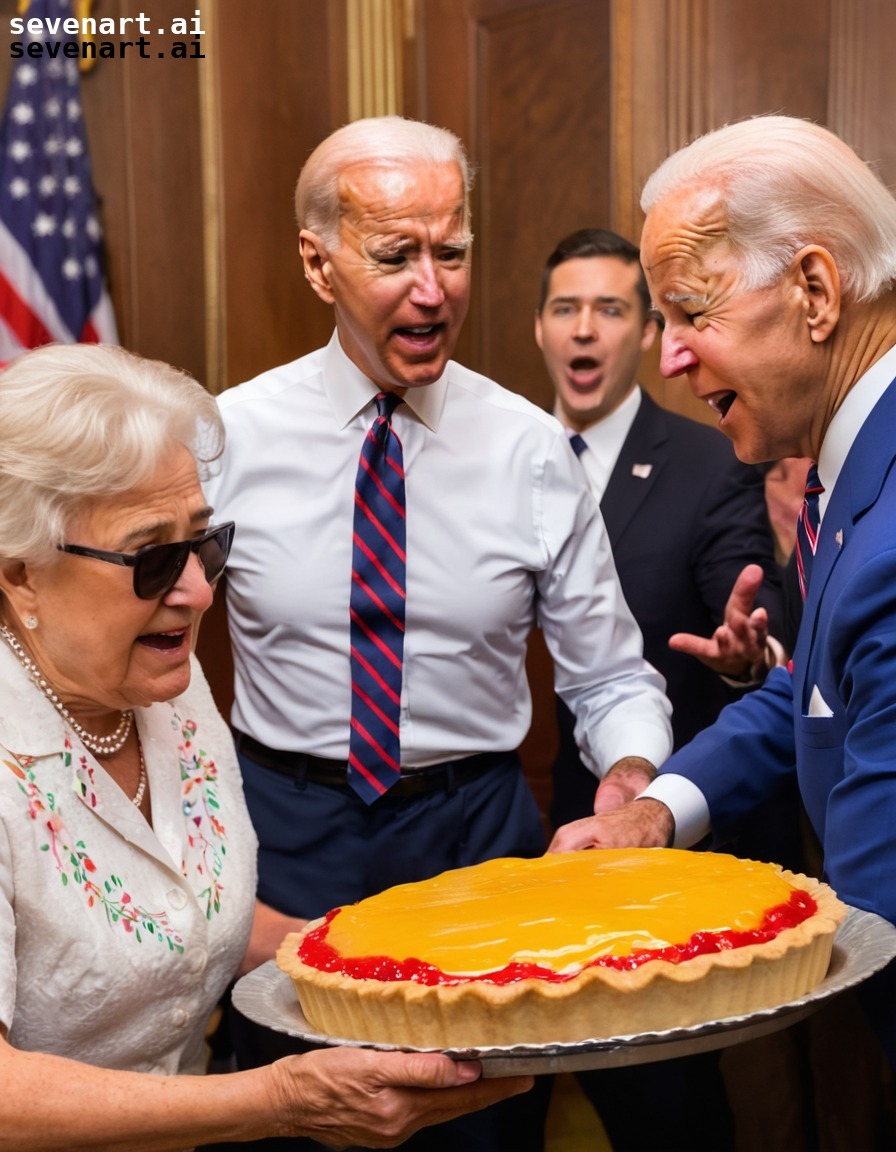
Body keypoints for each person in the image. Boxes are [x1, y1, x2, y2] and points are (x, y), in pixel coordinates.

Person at [203, 115, 672, 1151]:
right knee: (295, 1124)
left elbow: (608, 676)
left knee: (479, 1131)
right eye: (394, 255)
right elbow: (152, 651)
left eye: (451, 252)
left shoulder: (528, 449)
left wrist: (632, 774)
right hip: (285, 847)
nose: (432, 288)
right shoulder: (224, 437)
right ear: (317, 263)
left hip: (474, 848)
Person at [0, 342, 530, 1151]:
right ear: (21, 574)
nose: (200, 590)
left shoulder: (166, 689)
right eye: (152, 559)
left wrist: (407, 974)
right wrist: (280, 1099)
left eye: (206, 543)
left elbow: (193, 917)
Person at [548, 115, 896, 1075]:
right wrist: (657, 812)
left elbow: (881, 903)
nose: (666, 358)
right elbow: (817, 692)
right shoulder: (852, 469)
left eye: (693, 314)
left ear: (816, 292)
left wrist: (661, 943)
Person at [534, 227, 786, 1149]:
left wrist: (742, 652)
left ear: (644, 332)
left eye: (610, 308)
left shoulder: (710, 455)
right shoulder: (507, 454)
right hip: (535, 822)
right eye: (567, 308)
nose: (585, 328)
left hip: (668, 828)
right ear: (540, 329)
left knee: (663, 1100)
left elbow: (747, 602)